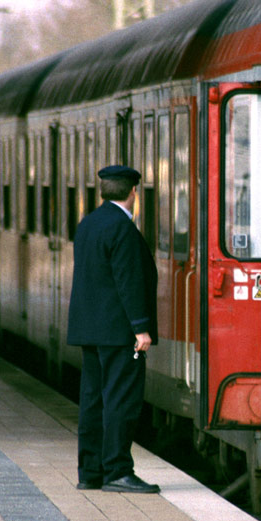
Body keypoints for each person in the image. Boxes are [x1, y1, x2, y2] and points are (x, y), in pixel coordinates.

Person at [66, 165, 160, 493]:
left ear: (104, 190)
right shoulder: (123, 228)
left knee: (92, 400)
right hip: (119, 332)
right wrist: (141, 328)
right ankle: (118, 470)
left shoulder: (88, 224)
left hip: (89, 330)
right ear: (133, 192)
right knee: (121, 399)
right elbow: (128, 281)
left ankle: (90, 472)